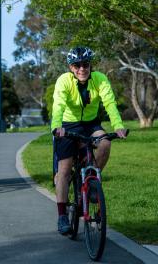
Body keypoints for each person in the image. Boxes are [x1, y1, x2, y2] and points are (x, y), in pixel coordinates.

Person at [51, 46, 127, 235]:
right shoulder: (64, 81)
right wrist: (57, 126)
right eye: (77, 65)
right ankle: (62, 216)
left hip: (91, 124)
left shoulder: (100, 79)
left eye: (85, 64)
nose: (82, 69)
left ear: (90, 65)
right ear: (71, 67)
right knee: (65, 170)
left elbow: (109, 103)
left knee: (105, 142)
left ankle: (92, 180)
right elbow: (58, 104)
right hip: (68, 125)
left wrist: (117, 125)